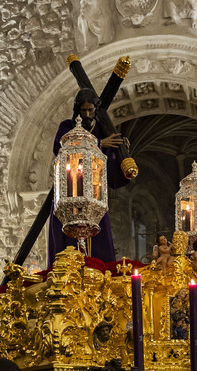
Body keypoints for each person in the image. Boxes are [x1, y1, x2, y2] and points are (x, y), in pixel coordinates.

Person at [47, 88, 130, 265]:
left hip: (93, 196)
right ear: (77, 109)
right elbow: (60, 148)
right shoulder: (66, 127)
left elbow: (110, 167)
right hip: (69, 194)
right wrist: (99, 143)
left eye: (90, 110)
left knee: (99, 245)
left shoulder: (102, 129)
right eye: (82, 110)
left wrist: (123, 151)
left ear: (95, 110)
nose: (86, 114)